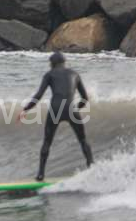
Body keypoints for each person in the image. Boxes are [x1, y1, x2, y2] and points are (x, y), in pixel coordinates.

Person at [18, 51, 94, 181]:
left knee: (47, 142)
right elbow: (85, 98)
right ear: (64, 62)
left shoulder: (49, 74)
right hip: (71, 109)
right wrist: (76, 109)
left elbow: (39, 95)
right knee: (83, 140)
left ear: (52, 63)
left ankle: (40, 175)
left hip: (55, 109)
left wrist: (25, 110)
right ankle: (92, 169)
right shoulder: (75, 74)